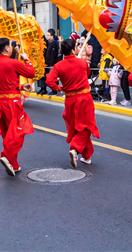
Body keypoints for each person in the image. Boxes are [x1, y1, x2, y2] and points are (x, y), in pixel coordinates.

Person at [0, 37, 35, 176]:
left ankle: (14, 164)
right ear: (6, 48)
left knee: (8, 133)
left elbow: (2, 84)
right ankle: (6, 155)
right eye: (11, 45)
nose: (12, 47)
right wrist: (27, 60)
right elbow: (31, 73)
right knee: (19, 131)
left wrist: (19, 87)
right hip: (11, 104)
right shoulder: (13, 62)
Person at [46, 38, 99, 167]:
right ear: (72, 50)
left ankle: (86, 156)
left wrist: (59, 88)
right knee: (87, 126)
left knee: (76, 126)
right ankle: (75, 148)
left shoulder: (59, 65)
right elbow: (88, 73)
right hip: (85, 98)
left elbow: (49, 81)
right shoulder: (82, 63)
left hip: (70, 99)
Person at [39, 29, 59, 95]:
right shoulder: (49, 43)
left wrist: (51, 65)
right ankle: (46, 89)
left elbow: (53, 55)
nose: (47, 36)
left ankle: (54, 90)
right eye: (46, 35)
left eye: (48, 35)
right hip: (47, 64)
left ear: (52, 36)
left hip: (51, 65)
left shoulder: (53, 44)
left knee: (52, 78)